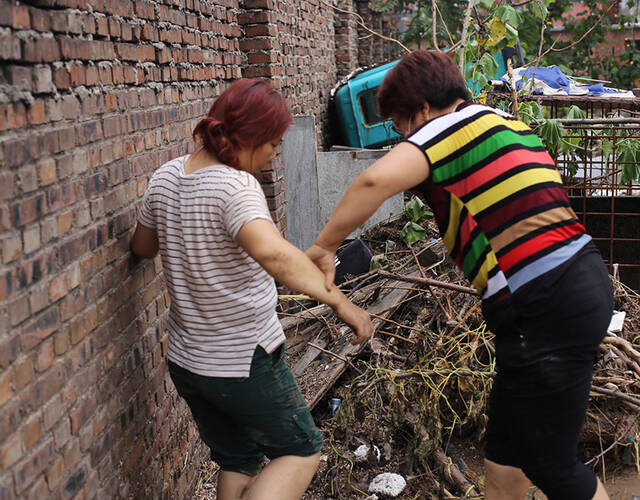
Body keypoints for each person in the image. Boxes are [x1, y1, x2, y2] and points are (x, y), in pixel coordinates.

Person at [306, 50, 613, 500]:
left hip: (543, 301)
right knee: (504, 458)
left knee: (551, 463)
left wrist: (324, 245)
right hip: (572, 285)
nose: (399, 135)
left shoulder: (444, 129)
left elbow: (374, 182)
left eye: (399, 122)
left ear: (425, 109)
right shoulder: (502, 123)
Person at [130, 79, 374, 500]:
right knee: (301, 451)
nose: (273, 155)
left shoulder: (165, 177)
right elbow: (275, 257)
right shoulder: (235, 187)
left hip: (189, 363)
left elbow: (141, 247)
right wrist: (342, 304)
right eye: (274, 144)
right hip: (243, 360)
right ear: (253, 137)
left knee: (238, 458)